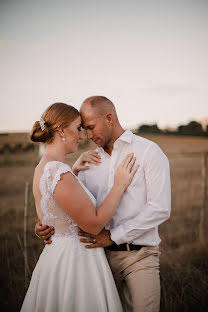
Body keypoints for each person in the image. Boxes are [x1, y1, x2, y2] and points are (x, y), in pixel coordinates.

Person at [37, 96, 171, 312]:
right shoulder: (88, 162)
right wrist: (46, 224)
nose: (87, 136)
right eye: (83, 129)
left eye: (90, 127)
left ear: (109, 118)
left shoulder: (148, 152)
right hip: (99, 260)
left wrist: (113, 236)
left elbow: (160, 209)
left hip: (140, 255)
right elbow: (73, 209)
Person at [21, 102, 139, 312]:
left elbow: (54, 211)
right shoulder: (57, 172)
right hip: (75, 263)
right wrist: (119, 185)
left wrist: (73, 172)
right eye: (78, 128)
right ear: (61, 132)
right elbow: (93, 225)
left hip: (58, 258)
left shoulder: (46, 167)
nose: (83, 136)